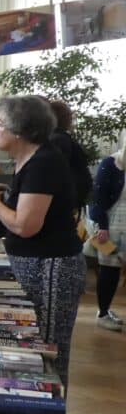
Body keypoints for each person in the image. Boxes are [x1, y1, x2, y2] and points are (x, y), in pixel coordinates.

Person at [0, 95, 85, 389]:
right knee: (35, 348)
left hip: (52, 269)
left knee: (47, 350)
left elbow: (25, 225)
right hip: (36, 265)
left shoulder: (43, 162)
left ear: (20, 129)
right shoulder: (28, 160)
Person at [85, 134, 126, 330]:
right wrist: (102, 226)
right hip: (112, 224)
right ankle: (103, 313)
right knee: (110, 270)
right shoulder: (110, 163)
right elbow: (98, 199)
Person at [47, 99, 93, 213]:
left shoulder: (57, 139)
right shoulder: (61, 138)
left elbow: (57, 173)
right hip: (71, 200)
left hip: (63, 204)